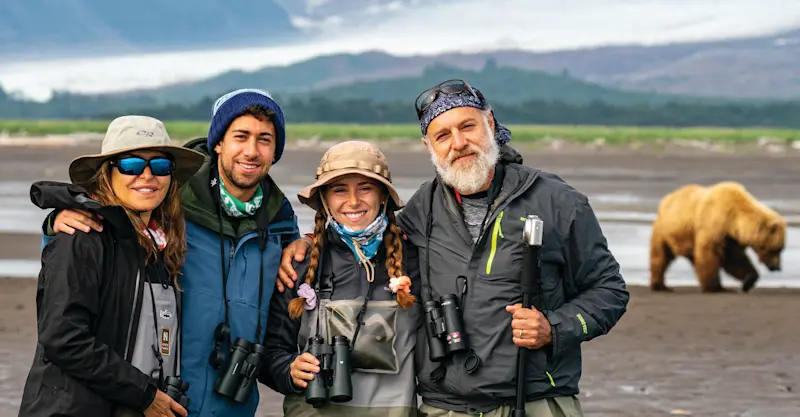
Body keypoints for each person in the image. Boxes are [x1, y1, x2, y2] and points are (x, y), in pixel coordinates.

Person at [279, 79, 630, 417]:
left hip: (538, 400)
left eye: (467, 126)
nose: (458, 143)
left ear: (490, 123)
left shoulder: (557, 202)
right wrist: (308, 242)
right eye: (442, 135)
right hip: (446, 407)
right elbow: (363, 234)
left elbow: (610, 291)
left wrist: (555, 327)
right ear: (428, 146)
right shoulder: (422, 207)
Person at [44, 89, 301, 417]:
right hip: (161, 400)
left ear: (276, 149)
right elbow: (107, 221)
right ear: (218, 143)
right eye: (240, 136)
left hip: (234, 404)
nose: (251, 151)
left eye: (264, 139)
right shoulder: (172, 198)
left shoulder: (280, 220)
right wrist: (56, 222)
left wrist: (307, 241)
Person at [19, 115, 205, 417]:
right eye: (131, 165)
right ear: (107, 173)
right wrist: (145, 396)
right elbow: (63, 338)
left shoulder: (161, 245)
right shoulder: (82, 236)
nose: (147, 175)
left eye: (160, 166)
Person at [260, 140, 421, 417]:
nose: (353, 201)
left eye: (365, 188)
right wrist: (290, 371)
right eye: (339, 190)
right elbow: (270, 350)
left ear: (383, 195)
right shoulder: (300, 265)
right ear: (324, 199)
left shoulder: (415, 259)